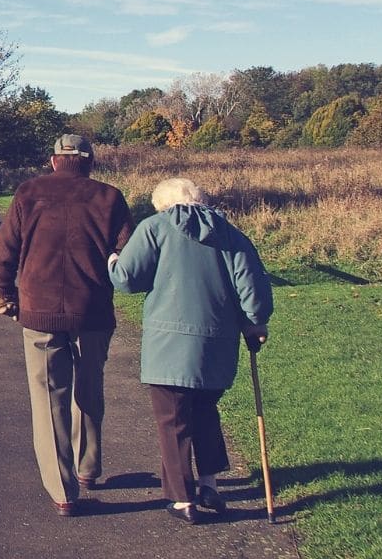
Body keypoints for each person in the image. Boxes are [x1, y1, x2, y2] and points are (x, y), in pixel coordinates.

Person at [108, 177, 273, 524]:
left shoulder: (155, 228)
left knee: (173, 419)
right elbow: (252, 289)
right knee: (205, 411)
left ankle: (182, 499)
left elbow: (127, 279)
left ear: (163, 204)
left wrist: (112, 261)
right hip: (217, 344)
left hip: (168, 345)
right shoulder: (231, 234)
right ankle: (209, 484)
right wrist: (256, 323)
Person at [0, 134, 135, 517]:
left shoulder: (28, 193)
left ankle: (63, 491)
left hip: (39, 310)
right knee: (90, 388)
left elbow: (4, 250)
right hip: (93, 310)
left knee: (48, 398)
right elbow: (127, 252)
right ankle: (88, 467)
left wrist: (6, 294)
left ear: (54, 160)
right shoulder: (110, 197)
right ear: (89, 161)